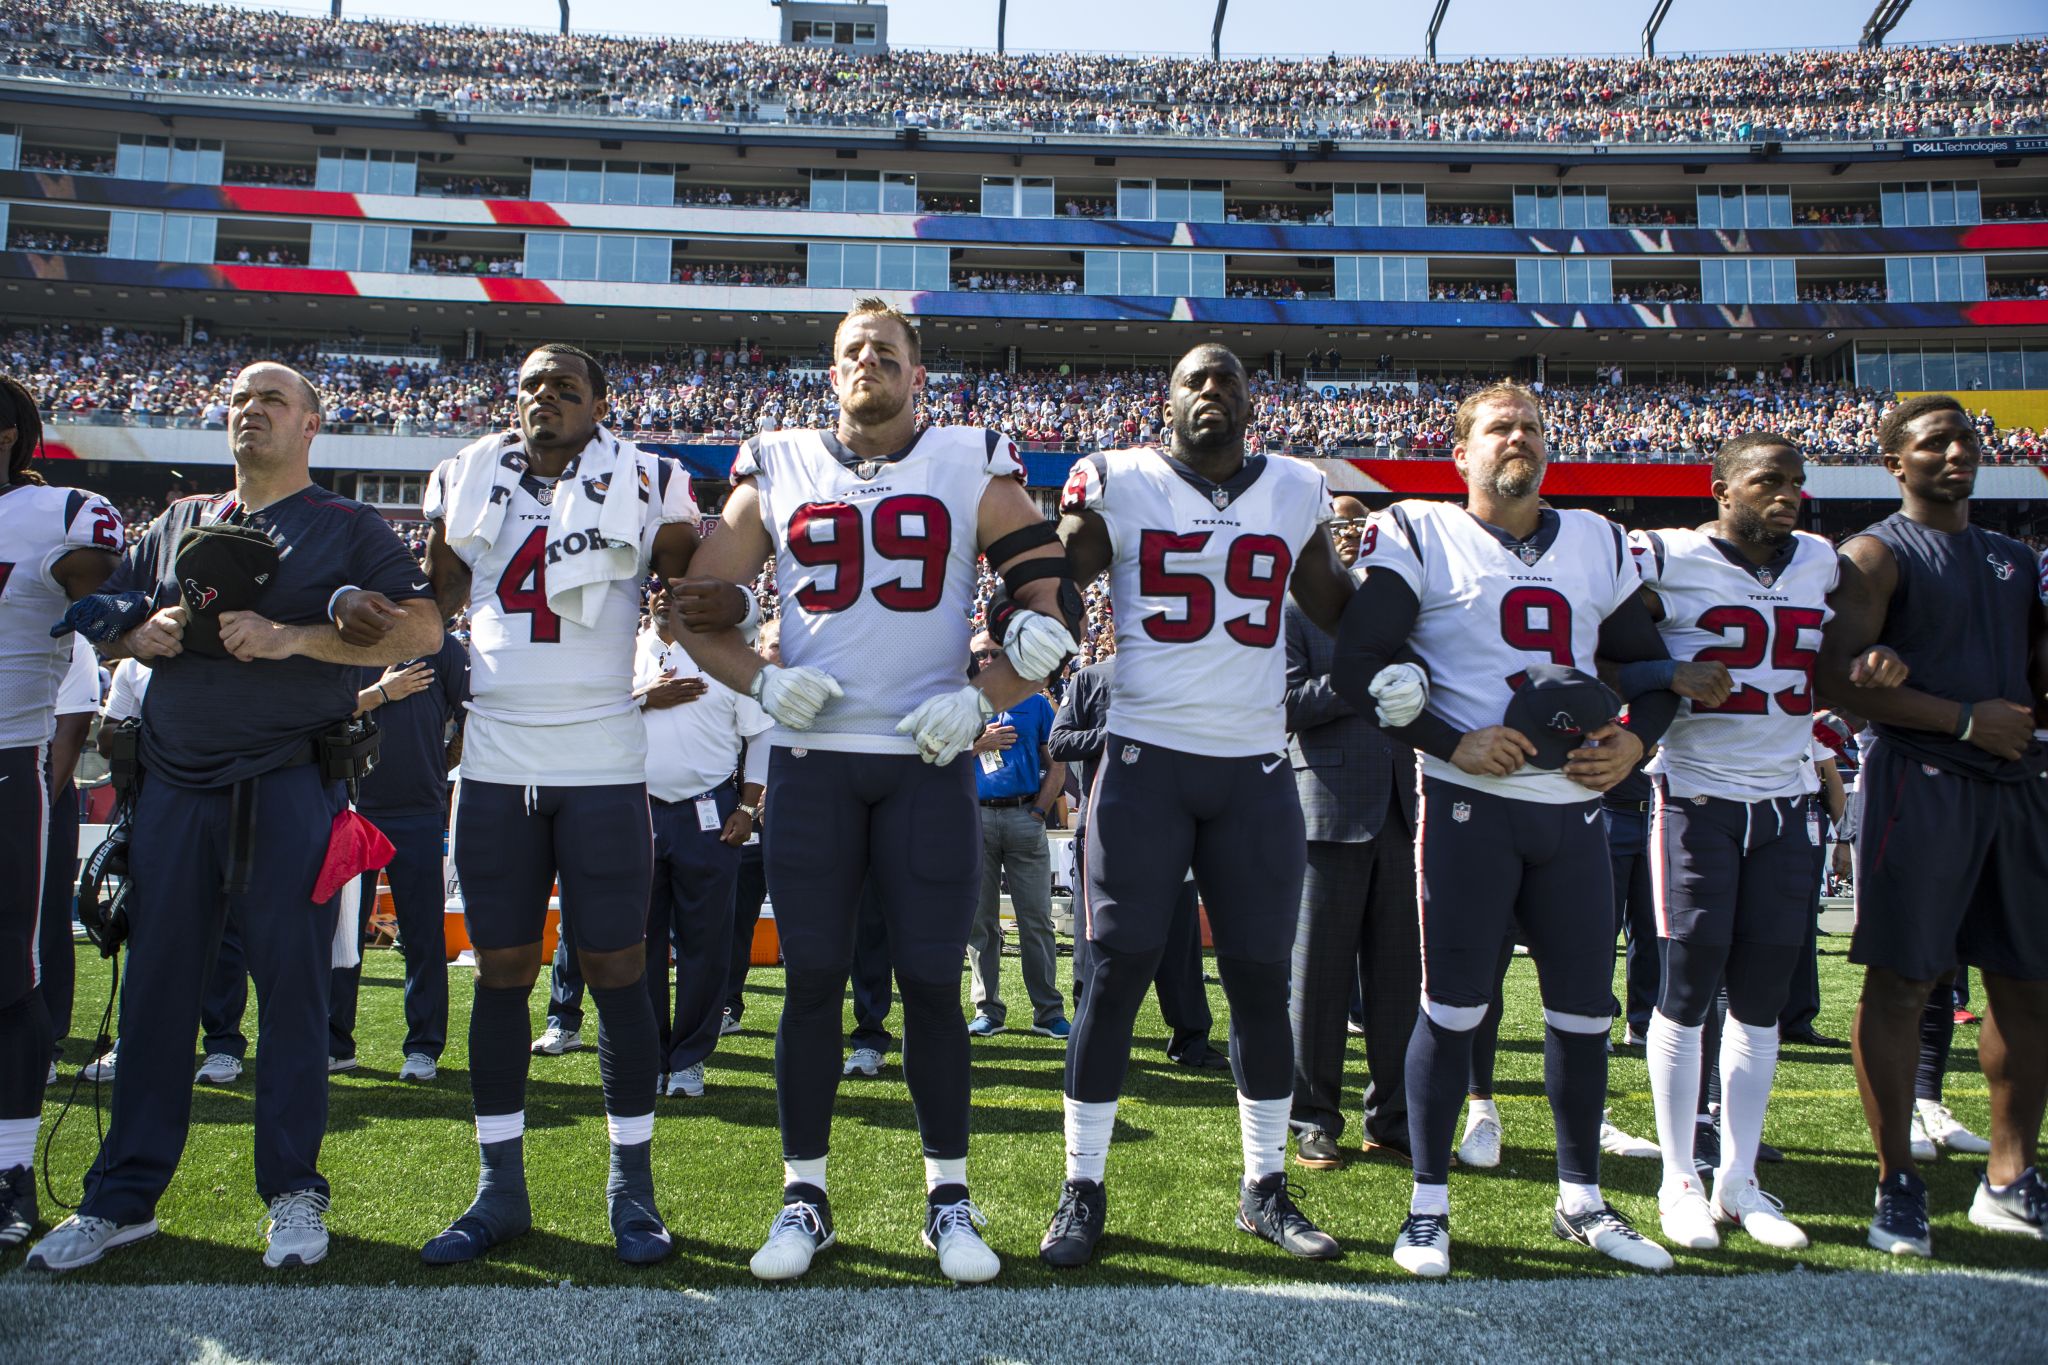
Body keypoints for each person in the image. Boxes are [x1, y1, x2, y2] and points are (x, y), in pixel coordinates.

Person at [668, 298, 1080, 1285]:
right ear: (831, 371)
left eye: (886, 353)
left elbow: (1053, 602)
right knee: (810, 982)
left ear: (916, 375)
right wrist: (760, 681)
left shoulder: (964, 462)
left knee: (933, 986)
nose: (867, 364)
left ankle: (948, 1196)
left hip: (924, 763)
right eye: (852, 351)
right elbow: (693, 609)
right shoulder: (777, 462)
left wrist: (986, 694)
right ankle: (803, 1195)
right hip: (813, 763)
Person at [29, 361, 440, 1272]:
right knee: (156, 993)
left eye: (272, 400)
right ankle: (121, 1196)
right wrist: (133, 631)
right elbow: (97, 609)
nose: (250, 411)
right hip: (173, 786)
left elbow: (423, 629)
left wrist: (294, 637)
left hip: (291, 785)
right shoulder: (181, 520)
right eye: (239, 401)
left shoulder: (348, 524)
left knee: (293, 995)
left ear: (310, 426)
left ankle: (293, 1188)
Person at [1333, 380, 1685, 1278]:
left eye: (1530, 426)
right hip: (1467, 807)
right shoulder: (1418, 531)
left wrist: (1636, 744)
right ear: (1462, 454)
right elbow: (1360, 663)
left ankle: (1582, 1198)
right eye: (1498, 427)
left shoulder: (1600, 541)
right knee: (1451, 1006)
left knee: (1581, 1014)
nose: (1516, 438)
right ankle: (1426, 1203)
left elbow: (1653, 672)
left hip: (1571, 812)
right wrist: (1454, 739)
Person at [1041, 342, 1363, 1269]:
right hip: (1144, 761)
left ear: (1252, 397)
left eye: (1227, 377)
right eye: (1195, 380)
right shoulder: (1123, 478)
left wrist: (1406, 627)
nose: (1212, 390)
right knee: (1113, 976)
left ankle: (1264, 1185)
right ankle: (1083, 1184)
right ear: (1167, 401)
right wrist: (1044, 575)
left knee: (1262, 979)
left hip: (1255, 766)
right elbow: (1069, 577)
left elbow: (1334, 605)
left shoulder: (1298, 487)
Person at [416, 343, 699, 1268]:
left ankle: (633, 1188)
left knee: (617, 966)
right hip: (497, 755)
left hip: (603, 756)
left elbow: (685, 590)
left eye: (565, 385)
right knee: (501, 968)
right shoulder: (464, 472)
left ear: (599, 403)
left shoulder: (652, 475)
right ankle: (499, 1188)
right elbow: (438, 603)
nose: (546, 396)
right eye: (532, 383)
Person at [1625, 432, 1905, 1255]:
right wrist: (1661, 676)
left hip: (1786, 803)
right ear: (1721, 488)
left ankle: (1738, 1176)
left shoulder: (1821, 561)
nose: (1788, 494)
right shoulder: (1664, 556)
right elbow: (1600, 640)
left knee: (1762, 997)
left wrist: (1878, 662)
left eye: (1797, 481)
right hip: (1695, 796)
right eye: (1768, 480)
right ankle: (1680, 1173)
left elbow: (1843, 661)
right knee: (1685, 987)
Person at [1814, 393, 2048, 1255]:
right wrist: (1958, 719)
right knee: (1905, 982)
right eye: (1935, 441)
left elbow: (2030, 678)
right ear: (1895, 462)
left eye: (1967, 438)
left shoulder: (2014, 558)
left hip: (2018, 785)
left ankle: (2010, 1177)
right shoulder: (1873, 554)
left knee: (2028, 982)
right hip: (1925, 779)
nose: (1956, 452)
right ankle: (1896, 1182)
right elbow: (1835, 682)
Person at [0, 378, 122, 1252]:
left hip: (7, 761)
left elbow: (101, 589)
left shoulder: (59, 512)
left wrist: (107, 605)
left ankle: (8, 1171)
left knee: (12, 974)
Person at [1283, 494, 1419, 1168]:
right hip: (1327, 809)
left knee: (1397, 982)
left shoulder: (1397, 612)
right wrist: (1358, 680)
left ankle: (1392, 1119)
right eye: (1338, 524)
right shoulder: (1293, 609)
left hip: (1398, 807)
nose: (1350, 535)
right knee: (1318, 983)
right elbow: (1282, 703)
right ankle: (1313, 1119)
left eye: (1361, 526)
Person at [1048, 654, 1227, 1071]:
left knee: (1180, 943)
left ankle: (1191, 1039)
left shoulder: (1187, 672)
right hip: (1106, 828)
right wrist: (1114, 734)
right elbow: (1059, 742)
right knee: (1094, 943)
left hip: (1173, 824)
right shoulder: (1092, 678)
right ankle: (1093, 1039)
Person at [634, 585, 770, 1098]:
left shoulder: (726, 658)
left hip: (709, 814)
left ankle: (689, 1057)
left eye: (676, 590)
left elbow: (761, 735)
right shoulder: (622, 654)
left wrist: (747, 807)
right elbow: (592, 718)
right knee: (638, 943)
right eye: (657, 590)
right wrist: (644, 698)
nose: (664, 598)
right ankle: (646, 1054)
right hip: (636, 811)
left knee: (705, 944)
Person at [328, 632, 470, 1079]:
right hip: (350, 806)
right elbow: (315, 712)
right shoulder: (336, 638)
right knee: (342, 933)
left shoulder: (440, 644)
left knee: (423, 932)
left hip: (419, 809)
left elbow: (473, 716)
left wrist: (440, 763)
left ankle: (424, 1047)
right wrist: (379, 694)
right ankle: (335, 1043)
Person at [965, 632, 1068, 1041]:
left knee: (1037, 920)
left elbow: (1057, 762)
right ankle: (987, 1009)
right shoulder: (958, 704)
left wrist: (1041, 809)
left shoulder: (1036, 702)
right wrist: (978, 744)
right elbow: (935, 756)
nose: (988, 659)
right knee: (980, 923)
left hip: (1025, 816)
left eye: (995, 653)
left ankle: (1048, 1012)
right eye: (981, 654)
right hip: (975, 818)